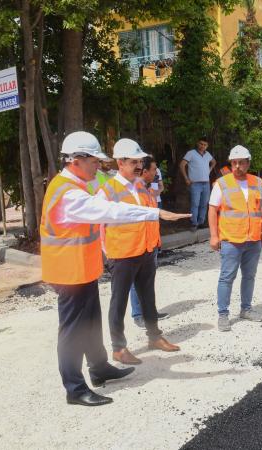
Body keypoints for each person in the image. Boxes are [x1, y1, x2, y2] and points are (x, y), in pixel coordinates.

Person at [41, 131, 187, 406]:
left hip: (83, 269)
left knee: (92, 322)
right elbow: (111, 212)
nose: (99, 166)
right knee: (73, 331)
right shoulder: (68, 193)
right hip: (68, 272)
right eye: (94, 161)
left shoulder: (77, 185)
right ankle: (74, 389)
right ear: (76, 160)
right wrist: (154, 213)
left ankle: (99, 368)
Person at [99, 139, 182, 366]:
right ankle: (118, 348)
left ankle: (154, 337)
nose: (138, 165)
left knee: (148, 297)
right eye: (133, 161)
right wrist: (105, 253)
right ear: (120, 162)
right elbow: (97, 225)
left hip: (145, 251)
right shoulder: (107, 190)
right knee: (119, 302)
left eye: (139, 161)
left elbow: (149, 216)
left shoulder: (140, 186)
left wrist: (154, 243)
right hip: (122, 254)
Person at [208, 145, 262, 332]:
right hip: (231, 240)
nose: (237, 166)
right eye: (234, 163)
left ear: (248, 163)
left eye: (241, 163)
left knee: (249, 276)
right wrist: (214, 235)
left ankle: (246, 309)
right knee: (227, 277)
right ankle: (223, 314)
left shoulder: (257, 182)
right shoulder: (222, 183)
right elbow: (212, 209)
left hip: (253, 239)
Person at [129, 156, 168, 328]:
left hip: (151, 243)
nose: (156, 173)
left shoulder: (147, 190)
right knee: (136, 280)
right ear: (145, 172)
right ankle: (138, 314)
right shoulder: (134, 191)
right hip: (138, 244)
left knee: (148, 281)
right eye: (153, 170)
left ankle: (149, 311)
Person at [179, 137, 216, 230]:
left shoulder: (207, 154)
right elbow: (182, 165)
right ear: (197, 143)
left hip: (206, 183)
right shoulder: (191, 153)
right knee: (195, 203)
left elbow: (214, 162)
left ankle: (201, 222)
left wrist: (209, 170)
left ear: (207, 146)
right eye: (201, 144)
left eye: (205, 145)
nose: (202, 146)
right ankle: (193, 223)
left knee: (204, 203)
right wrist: (186, 178)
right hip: (195, 184)